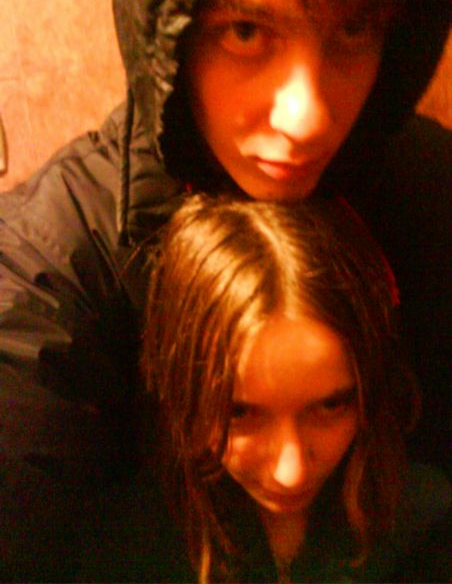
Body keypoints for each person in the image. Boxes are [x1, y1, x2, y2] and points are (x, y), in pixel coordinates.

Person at [0, 0, 450, 581]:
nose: (306, 119)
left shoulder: (434, 189)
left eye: (353, 30)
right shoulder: (47, 267)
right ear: (172, 32)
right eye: (245, 32)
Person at [79, 194, 450, 583]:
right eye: (238, 413)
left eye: (331, 406)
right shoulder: (120, 548)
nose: (291, 473)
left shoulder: (427, 524)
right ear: (180, 387)